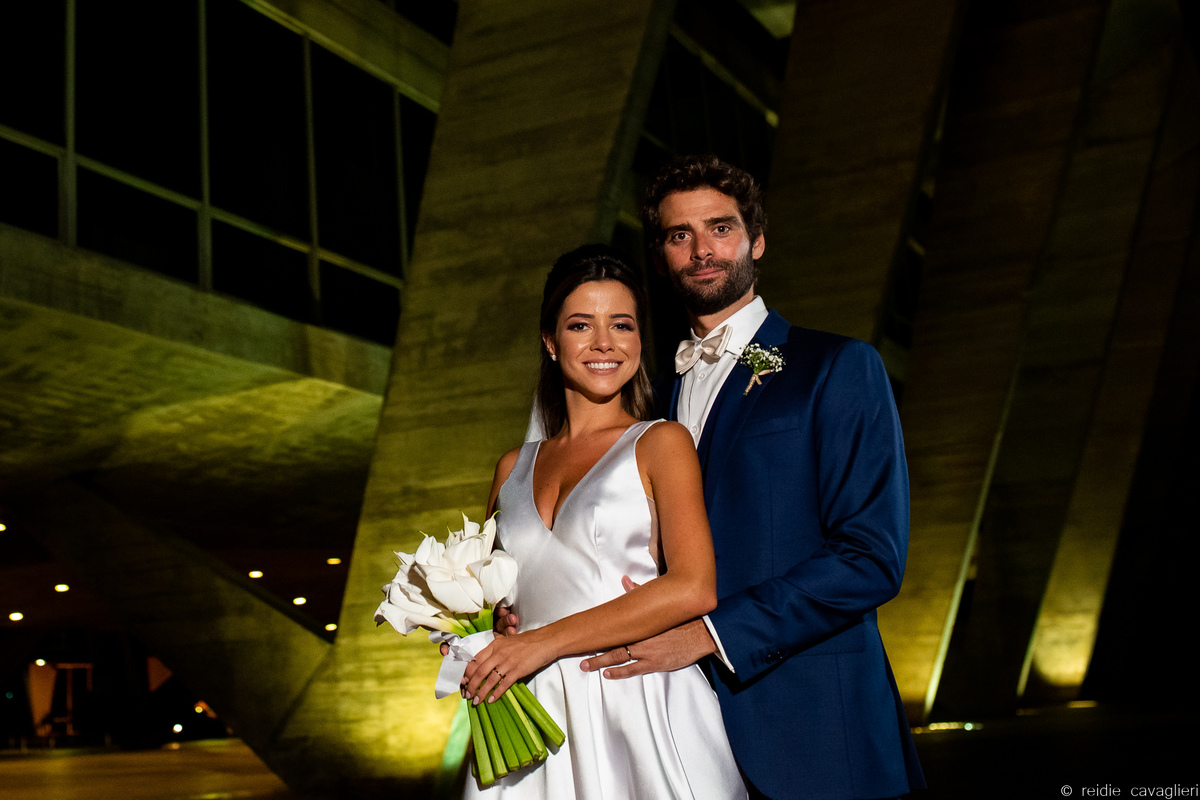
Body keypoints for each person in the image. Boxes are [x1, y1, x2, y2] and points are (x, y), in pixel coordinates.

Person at [572, 155, 927, 799]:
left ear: (756, 241)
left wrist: (711, 635)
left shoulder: (836, 367)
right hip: (674, 731)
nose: (702, 250)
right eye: (679, 235)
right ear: (661, 259)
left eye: (721, 228)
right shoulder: (650, 402)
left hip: (817, 732)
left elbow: (870, 556)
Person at [460, 245, 747, 799]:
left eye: (622, 325)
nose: (604, 343)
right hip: (534, 709)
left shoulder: (661, 442)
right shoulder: (511, 468)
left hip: (632, 698)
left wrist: (540, 642)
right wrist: (493, 625)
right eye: (580, 325)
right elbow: (496, 593)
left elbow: (694, 586)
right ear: (550, 341)